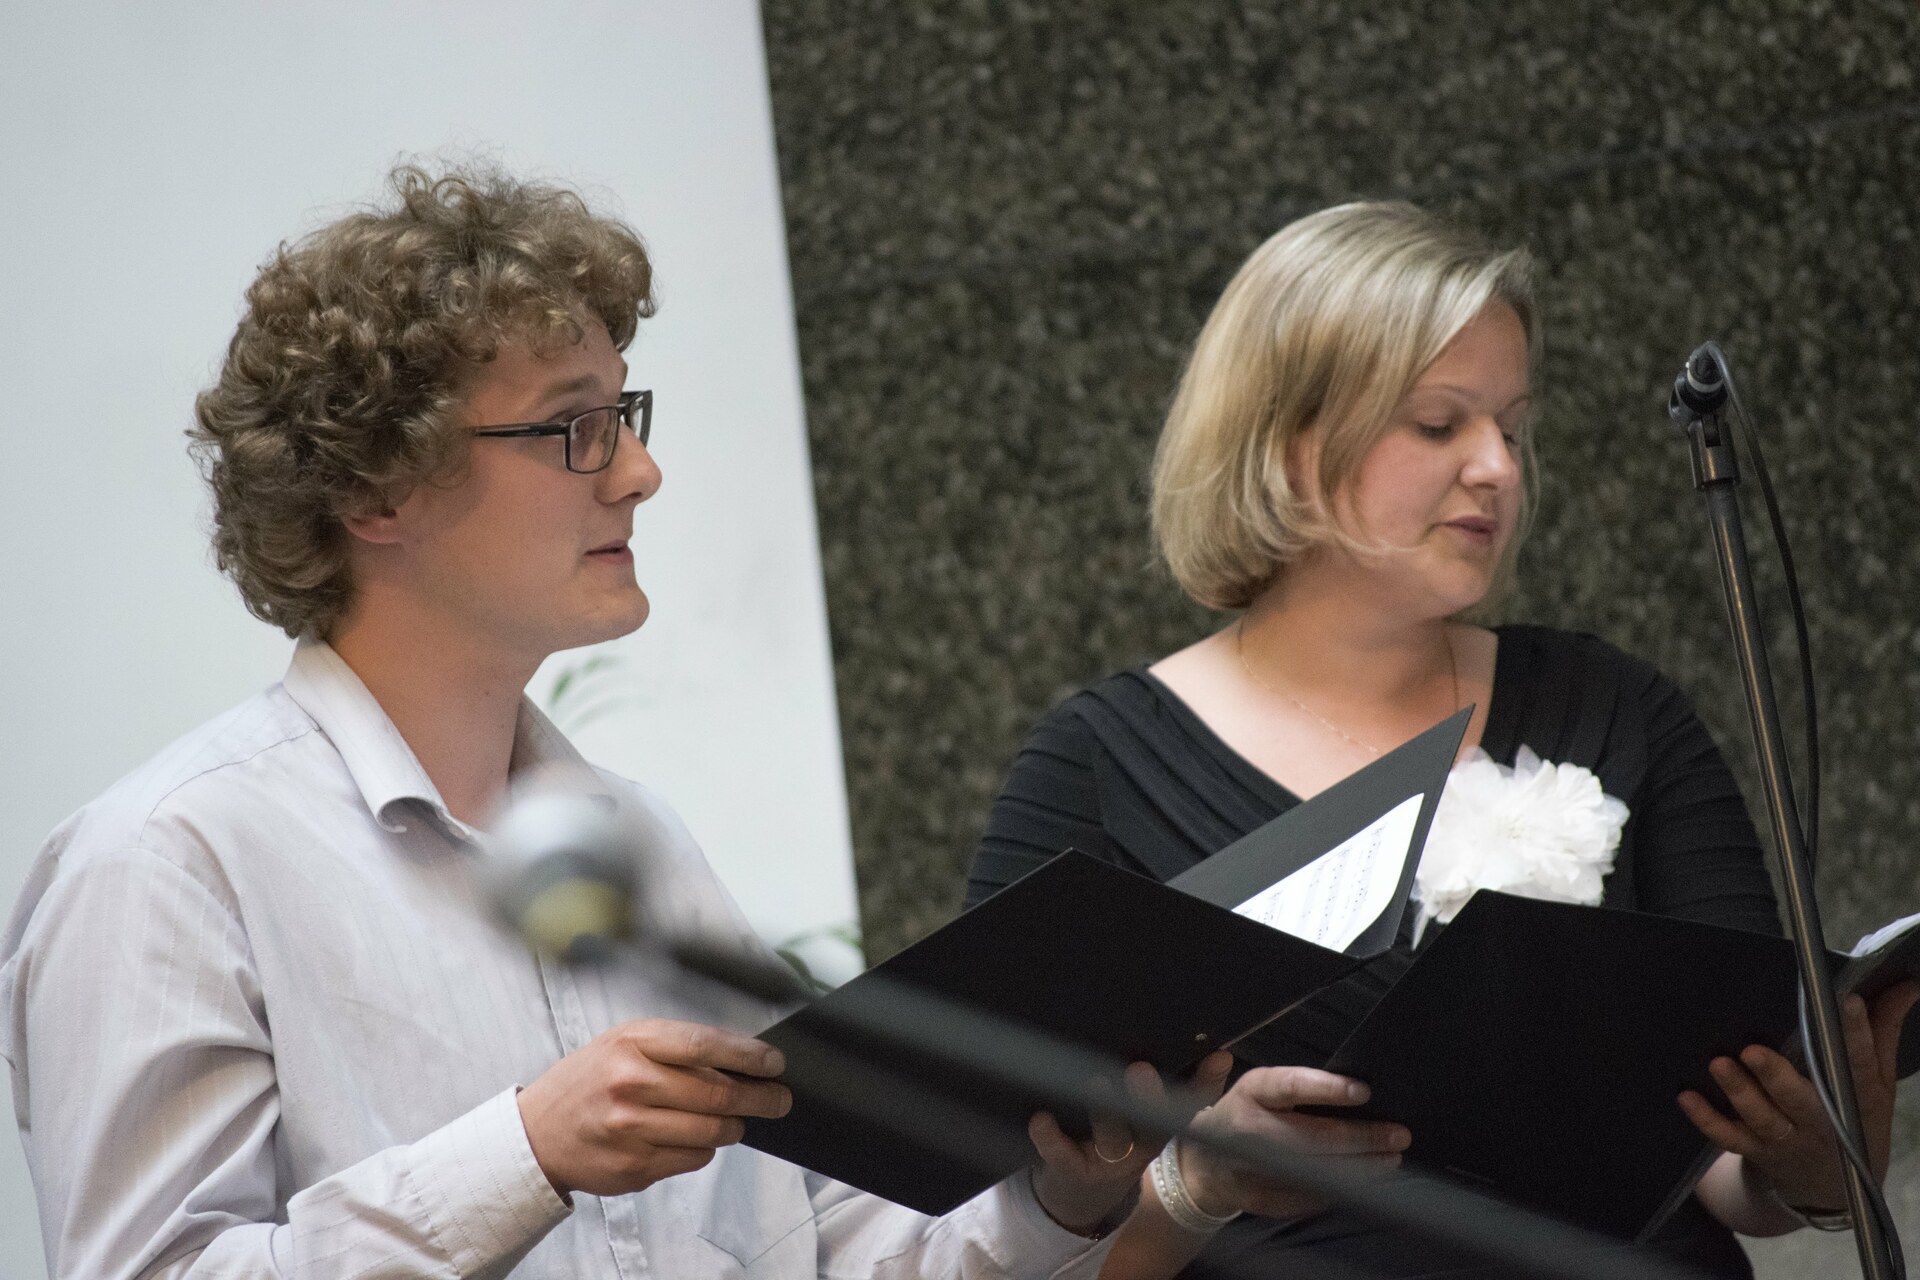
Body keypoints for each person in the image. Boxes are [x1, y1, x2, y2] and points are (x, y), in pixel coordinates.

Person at [0, 162, 1155, 1279]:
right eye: (574, 426)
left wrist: (1062, 1198)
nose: (639, 471)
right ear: (374, 487)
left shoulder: (638, 840)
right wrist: (525, 1153)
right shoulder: (168, 858)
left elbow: (819, 1243)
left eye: (625, 413)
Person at [964, 201, 1919, 1279]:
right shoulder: (1095, 770)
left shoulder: (1613, 706)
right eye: (1437, 424)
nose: (1499, 468)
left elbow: (1726, 1164)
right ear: (1286, 442)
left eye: (1512, 427)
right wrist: (1200, 1181)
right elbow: (1002, 1242)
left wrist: (1813, 1165)